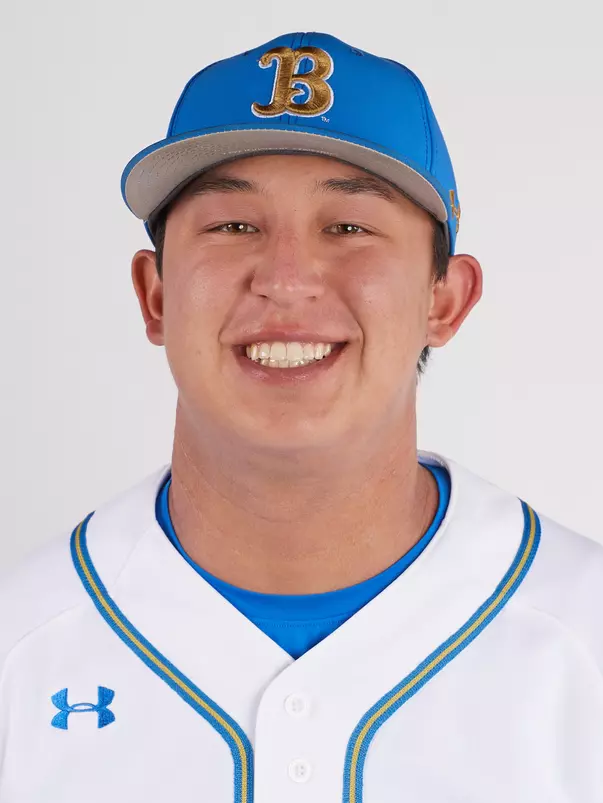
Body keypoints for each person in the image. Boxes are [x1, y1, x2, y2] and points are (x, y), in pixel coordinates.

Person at [0, 31, 601, 803]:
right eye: (233, 226)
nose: (285, 280)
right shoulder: (19, 647)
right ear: (154, 294)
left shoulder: (582, 639)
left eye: (347, 227)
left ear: (443, 299)